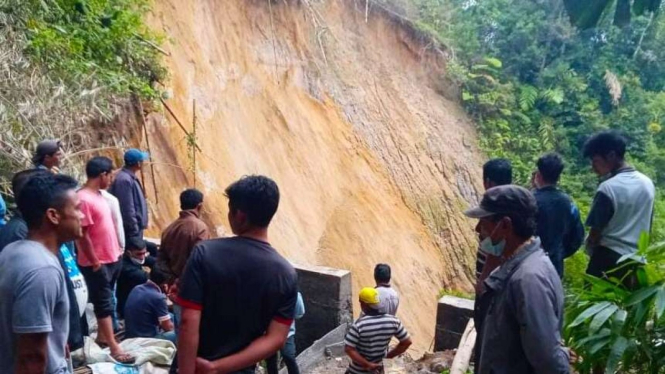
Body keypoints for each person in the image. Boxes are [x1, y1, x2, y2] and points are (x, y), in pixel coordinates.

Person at [177, 175, 298, 374]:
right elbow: (276, 339)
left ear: (240, 215)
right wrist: (216, 368)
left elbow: (188, 321)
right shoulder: (285, 273)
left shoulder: (204, 253)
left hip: (195, 365)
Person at [465, 185, 570, 374]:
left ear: (505, 225)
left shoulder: (528, 280)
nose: (478, 229)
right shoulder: (518, 268)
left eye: (484, 222)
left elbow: (548, 361)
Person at [0, 173, 82, 373]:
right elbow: (31, 357)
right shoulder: (42, 269)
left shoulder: (13, 251)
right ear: (53, 215)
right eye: (77, 209)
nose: (82, 216)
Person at [75, 156, 134, 363]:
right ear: (102, 175)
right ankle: (114, 346)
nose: (111, 180)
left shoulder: (99, 195)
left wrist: (117, 250)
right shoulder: (83, 198)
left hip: (111, 257)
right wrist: (94, 260)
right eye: (110, 175)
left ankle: (102, 337)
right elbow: (81, 233)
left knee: (107, 299)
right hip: (97, 261)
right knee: (104, 303)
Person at [583, 131, 655, 287]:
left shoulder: (608, 188)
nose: (593, 167)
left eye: (595, 161)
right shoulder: (648, 184)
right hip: (637, 263)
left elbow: (595, 233)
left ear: (611, 155)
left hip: (607, 261)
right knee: (630, 310)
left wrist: (589, 248)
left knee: (592, 309)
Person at [532, 153, 585, 278]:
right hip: (554, 265)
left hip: (528, 263)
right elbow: (577, 237)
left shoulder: (528, 200)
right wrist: (559, 252)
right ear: (558, 177)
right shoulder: (569, 204)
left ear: (538, 175)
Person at [344, 287, 412, 374]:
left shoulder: (359, 325)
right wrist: (388, 357)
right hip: (380, 369)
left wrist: (367, 364)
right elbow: (407, 342)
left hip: (358, 371)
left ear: (364, 304)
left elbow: (349, 349)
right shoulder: (394, 321)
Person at [158, 188, 210, 285]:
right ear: (199, 206)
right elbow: (199, 261)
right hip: (188, 284)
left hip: (169, 282)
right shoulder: (201, 228)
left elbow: (161, 259)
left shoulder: (169, 228)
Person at [476, 158, 512, 286]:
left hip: (490, 273)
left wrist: (483, 280)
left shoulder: (491, 204)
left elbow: (494, 250)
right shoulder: (518, 204)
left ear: (488, 182)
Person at [109, 148, 149, 246]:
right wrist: (134, 231)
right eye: (142, 161)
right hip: (131, 233)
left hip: (135, 230)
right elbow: (127, 208)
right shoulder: (124, 180)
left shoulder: (127, 177)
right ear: (138, 164)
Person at [124, 268, 176, 344]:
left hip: (131, 335)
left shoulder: (136, 288)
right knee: (179, 334)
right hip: (147, 340)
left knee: (170, 316)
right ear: (165, 285)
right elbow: (168, 328)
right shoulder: (159, 298)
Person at [266, 292, 305, 374]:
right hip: (269, 333)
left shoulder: (294, 294)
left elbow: (299, 312)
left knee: (288, 356)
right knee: (271, 359)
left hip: (286, 332)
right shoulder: (265, 291)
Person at [117, 237, 155, 319]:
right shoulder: (125, 268)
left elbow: (153, 249)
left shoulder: (135, 258)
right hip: (127, 306)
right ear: (129, 253)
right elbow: (147, 277)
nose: (142, 257)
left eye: (144, 253)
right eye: (139, 254)